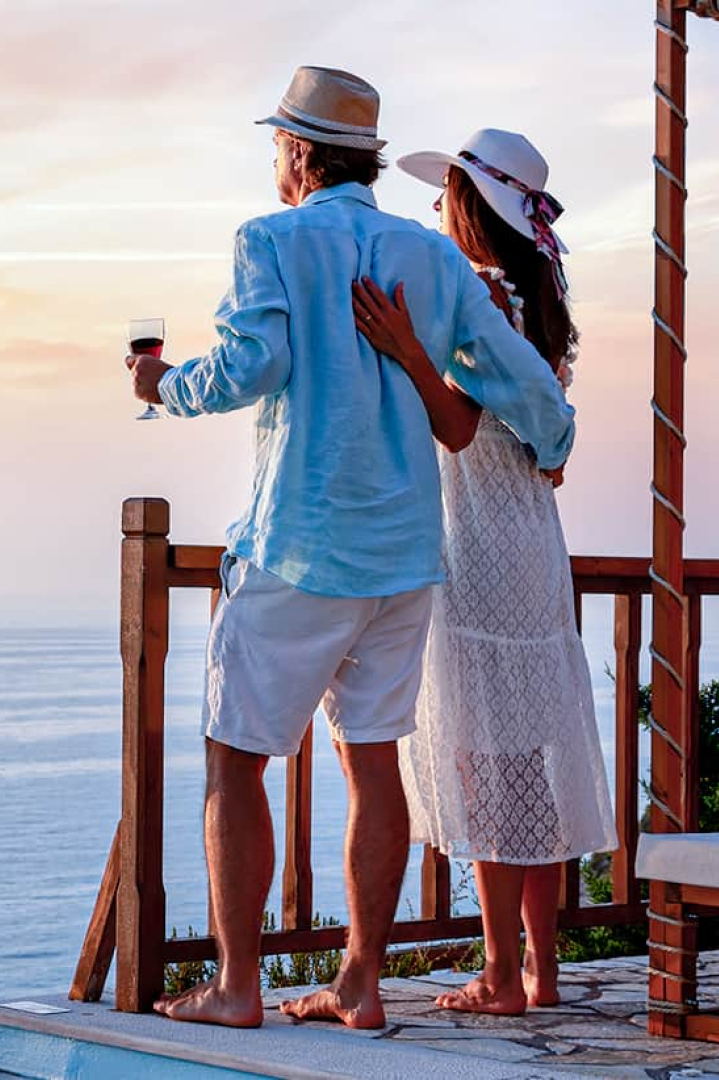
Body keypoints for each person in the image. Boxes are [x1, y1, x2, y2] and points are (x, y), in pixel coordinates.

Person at [125, 67, 575, 1031]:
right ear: (362, 158)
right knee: (373, 763)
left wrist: (161, 385)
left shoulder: (272, 241)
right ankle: (360, 984)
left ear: (296, 152)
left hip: (299, 543)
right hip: (407, 556)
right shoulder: (432, 257)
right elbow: (524, 380)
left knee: (236, 758)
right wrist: (557, 443)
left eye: (276, 146)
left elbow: (255, 366)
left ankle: (238, 987)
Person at [351, 128, 618, 1015]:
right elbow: (548, 447)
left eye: (444, 198)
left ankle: (501, 975)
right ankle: (539, 968)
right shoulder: (539, 301)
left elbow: (458, 426)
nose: (434, 212)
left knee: (486, 760)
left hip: (475, 539)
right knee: (532, 755)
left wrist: (408, 352)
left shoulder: (477, 301)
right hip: (535, 540)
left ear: (470, 207)